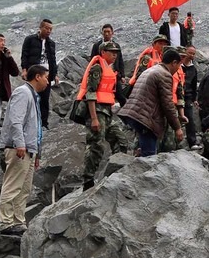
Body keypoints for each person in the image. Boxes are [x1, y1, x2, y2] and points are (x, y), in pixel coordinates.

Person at [0, 65, 48, 234]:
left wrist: (37, 152)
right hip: (19, 148)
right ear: (38, 77)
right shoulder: (23, 93)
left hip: (29, 149)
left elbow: (36, 128)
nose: (48, 82)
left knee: (24, 189)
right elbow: (16, 120)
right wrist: (19, 143)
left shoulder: (33, 96)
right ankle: (6, 222)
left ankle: (18, 221)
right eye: (46, 77)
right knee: (13, 185)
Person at [77, 43, 131, 190]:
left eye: (116, 52)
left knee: (120, 139)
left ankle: (116, 171)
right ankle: (88, 180)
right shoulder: (97, 68)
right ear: (103, 52)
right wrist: (94, 118)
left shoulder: (109, 69)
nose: (115, 55)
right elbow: (91, 93)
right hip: (97, 111)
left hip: (107, 111)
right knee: (96, 145)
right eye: (111, 52)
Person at [119, 48, 185, 157]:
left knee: (144, 149)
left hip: (134, 114)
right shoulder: (164, 74)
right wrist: (177, 128)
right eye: (178, 65)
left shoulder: (151, 70)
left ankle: (139, 158)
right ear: (174, 62)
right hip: (145, 118)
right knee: (150, 155)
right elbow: (167, 104)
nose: (178, 69)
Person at [20, 19, 59, 128]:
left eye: (50, 29)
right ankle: (29, 123)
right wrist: (24, 69)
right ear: (40, 27)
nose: (48, 31)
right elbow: (24, 55)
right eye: (46, 28)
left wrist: (55, 74)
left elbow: (53, 59)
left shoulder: (51, 43)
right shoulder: (30, 39)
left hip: (46, 75)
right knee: (31, 97)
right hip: (34, 73)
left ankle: (43, 123)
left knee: (45, 99)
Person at [181, 46, 200, 148]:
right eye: (190, 53)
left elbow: (194, 85)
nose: (191, 55)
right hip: (176, 96)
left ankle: (192, 142)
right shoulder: (178, 66)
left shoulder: (193, 69)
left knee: (189, 119)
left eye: (193, 54)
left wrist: (194, 99)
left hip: (187, 96)